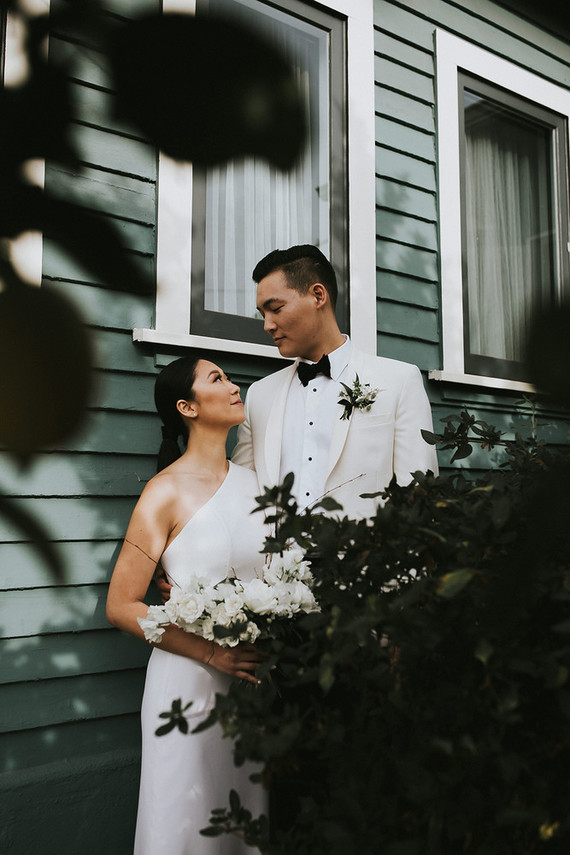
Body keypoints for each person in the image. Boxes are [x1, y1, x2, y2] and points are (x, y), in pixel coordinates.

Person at [106, 354, 267, 855]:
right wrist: (212, 653)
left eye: (229, 377)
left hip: (250, 684)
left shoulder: (257, 485)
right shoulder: (164, 493)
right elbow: (121, 604)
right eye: (217, 378)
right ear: (187, 407)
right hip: (187, 683)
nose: (235, 386)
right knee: (185, 823)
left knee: (243, 822)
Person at [231, 244, 438, 518]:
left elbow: (417, 497)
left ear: (318, 296)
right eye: (262, 314)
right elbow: (242, 496)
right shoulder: (258, 396)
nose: (267, 325)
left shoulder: (399, 382)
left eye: (276, 309)